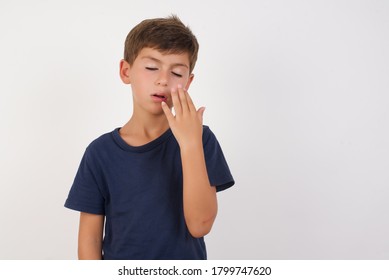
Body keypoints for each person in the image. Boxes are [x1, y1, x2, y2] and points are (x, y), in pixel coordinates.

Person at [64, 15, 234, 260]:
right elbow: (89, 240)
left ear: (188, 82)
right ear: (126, 71)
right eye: (152, 68)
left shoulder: (201, 140)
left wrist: (189, 144)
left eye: (176, 72)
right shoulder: (99, 153)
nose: (163, 79)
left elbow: (200, 225)